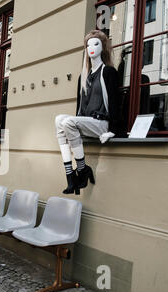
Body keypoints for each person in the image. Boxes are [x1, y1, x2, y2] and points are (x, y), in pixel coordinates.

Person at [55, 30, 119, 195]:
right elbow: (79, 108)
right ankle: (70, 176)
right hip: (87, 122)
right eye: (88, 45)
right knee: (59, 119)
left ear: (103, 47)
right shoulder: (83, 76)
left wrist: (113, 131)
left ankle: (82, 170)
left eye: (96, 44)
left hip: (102, 124)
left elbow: (115, 103)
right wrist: (74, 129)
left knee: (69, 122)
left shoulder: (109, 72)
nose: (91, 48)